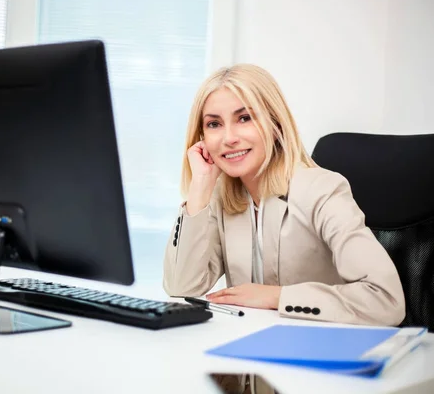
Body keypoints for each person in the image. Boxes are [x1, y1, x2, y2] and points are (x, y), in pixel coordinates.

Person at [163, 64, 405, 326]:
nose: (228, 138)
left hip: (322, 346)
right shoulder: (222, 197)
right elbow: (182, 287)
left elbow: (386, 300)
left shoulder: (321, 190)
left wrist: (277, 297)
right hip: (249, 346)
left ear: (274, 122)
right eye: (214, 124)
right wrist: (199, 187)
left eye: (245, 118)